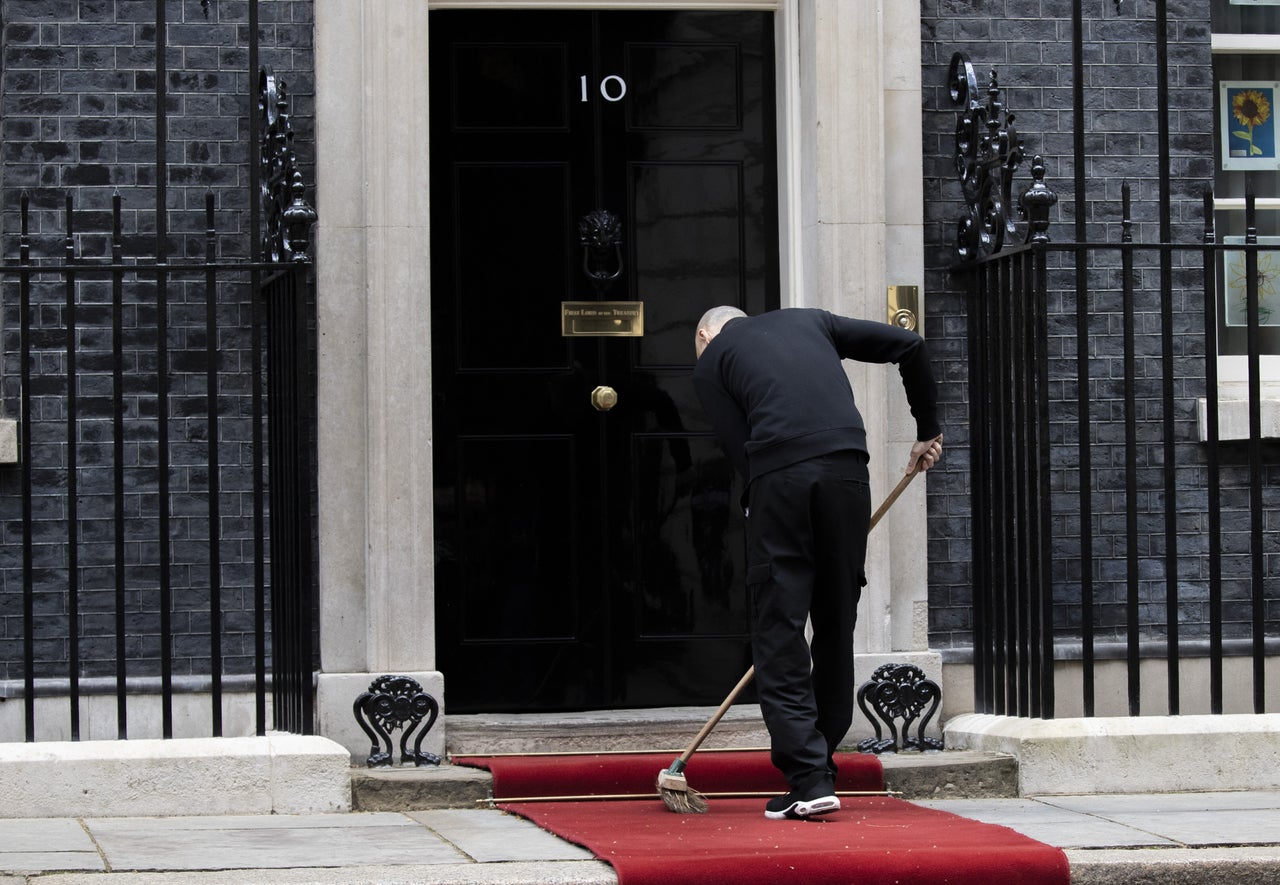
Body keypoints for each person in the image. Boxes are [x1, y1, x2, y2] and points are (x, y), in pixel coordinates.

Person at [692, 305, 943, 820]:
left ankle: (808, 777)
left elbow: (742, 451)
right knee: (835, 623)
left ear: (704, 334)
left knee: (779, 627)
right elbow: (910, 345)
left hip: (779, 478)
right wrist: (927, 430)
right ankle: (820, 766)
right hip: (849, 472)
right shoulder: (812, 320)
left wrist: (760, 509)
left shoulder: (713, 358)